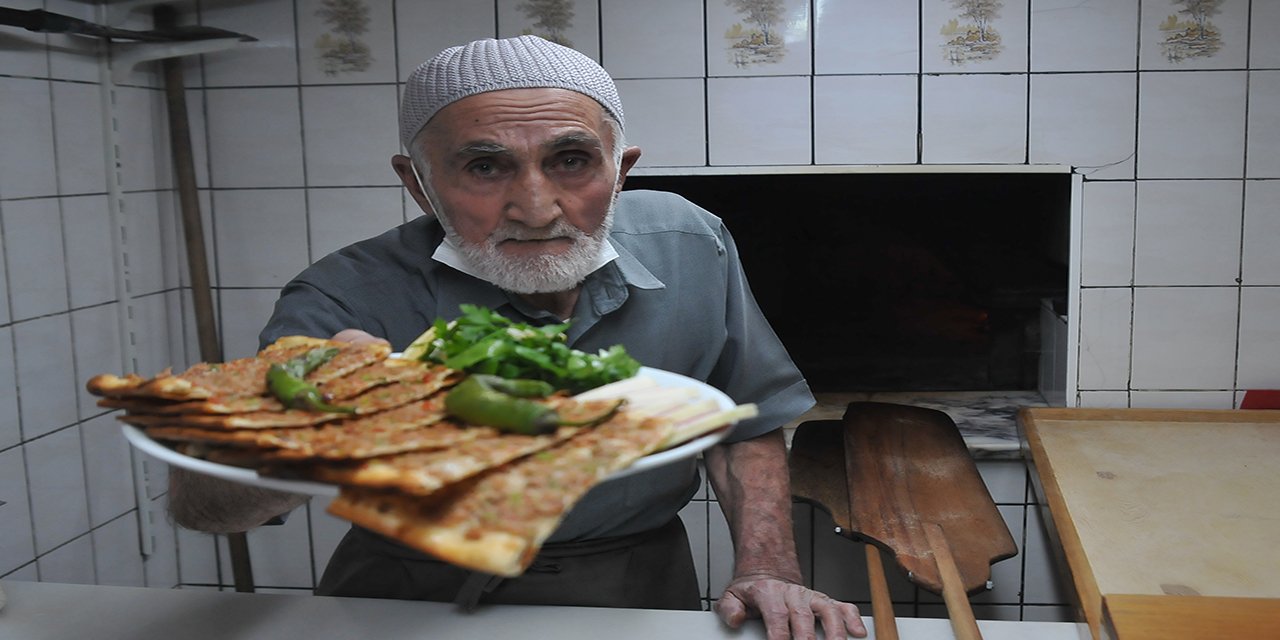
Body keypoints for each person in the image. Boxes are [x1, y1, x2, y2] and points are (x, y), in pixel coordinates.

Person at [168, 35, 866, 640]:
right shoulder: (344, 296)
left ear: (620, 170)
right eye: (484, 166)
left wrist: (768, 569)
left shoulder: (691, 243)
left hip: (637, 586)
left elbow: (743, 416)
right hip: (406, 597)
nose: (535, 209)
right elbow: (203, 509)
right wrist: (295, 442)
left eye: (571, 161)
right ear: (419, 184)